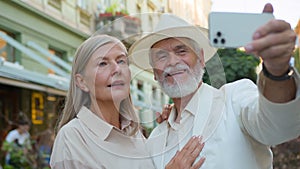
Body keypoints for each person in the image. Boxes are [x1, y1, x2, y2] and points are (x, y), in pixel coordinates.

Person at [128, 3, 300, 169]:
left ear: (201, 58)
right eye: (161, 56)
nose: (172, 62)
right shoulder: (155, 141)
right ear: (155, 72)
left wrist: (277, 71)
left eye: (182, 51)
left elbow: (279, 127)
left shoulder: (234, 99)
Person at [50, 34, 205, 169]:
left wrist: (173, 122)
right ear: (82, 82)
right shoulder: (72, 137)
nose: (117, 69)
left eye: (121, 61)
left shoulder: (134, 133)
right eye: (103, 63)